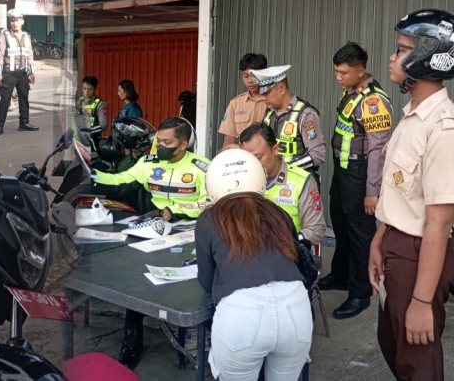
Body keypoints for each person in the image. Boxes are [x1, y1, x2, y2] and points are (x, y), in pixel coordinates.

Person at [369, 9, 454, 381]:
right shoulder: (413, 115)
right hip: (399, 244)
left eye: (401, 49)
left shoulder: (443, 128)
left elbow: (439, 223)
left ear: (428, 56)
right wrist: (381, 239)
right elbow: (402, 193)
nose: (392, 57)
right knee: (393, 343)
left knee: (417, 362)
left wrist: (421, 301)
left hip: (420, 253)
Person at [91, 117, 210, 369]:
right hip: (156, 229)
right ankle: (132, 335)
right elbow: (120, 179)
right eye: (159, 141)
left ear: (183, 145)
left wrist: (174, 211)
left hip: (191, 231)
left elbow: (211, 202)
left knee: (192, 283)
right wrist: (91, 172)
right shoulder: (148, 163)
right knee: (139, 277)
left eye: (167, 142)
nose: (160, 147)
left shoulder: (202, 168)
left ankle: (196, 334)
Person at [197, 149, 313, 381]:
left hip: (241, 314)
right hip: (296, 307)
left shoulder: (209, 219)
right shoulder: (278, 212)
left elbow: (207, 282)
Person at [317, 42, 394, 320]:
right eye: (336, 71)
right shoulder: (352, 93)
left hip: (360, 175)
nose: (338, 77)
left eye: (344, 73)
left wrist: (372, 191)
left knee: (361, 235)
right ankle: (341, 275)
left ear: (360, 71)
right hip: (343, 174)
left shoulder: (374, 102)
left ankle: (361, 292)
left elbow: (377, 150)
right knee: (341, 226)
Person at [239, 123, 327, 244]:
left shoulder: (302, 181)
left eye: (258, 157)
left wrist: (282, 240)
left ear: (275, 149)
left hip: (287, 250)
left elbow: (316, 231)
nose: (253, 164)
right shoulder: (239, 179)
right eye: (248, 159)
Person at [251, 65, 326, 173]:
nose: (263, 98)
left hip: (297, 180)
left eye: (266, 93)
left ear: (281, 89)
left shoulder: (305, 114)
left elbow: (318, 155)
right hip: (273, 179)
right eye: (262, 94)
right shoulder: (269, 113)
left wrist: (283, 168)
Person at [0, 9, 38, 136]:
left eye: (17, 20)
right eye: (12, 21)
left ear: (22, 21)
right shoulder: (5, 36)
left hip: (23, 73)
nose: (15, 23)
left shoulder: (26, 36)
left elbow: (30, 55)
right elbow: (0, 55)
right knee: (5, 99)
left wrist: (31, 72)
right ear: (10, 22)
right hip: (9, 73)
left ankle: (24, 123)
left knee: (24, 99)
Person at [218, 53, 268, 151]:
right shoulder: (235, 103)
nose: (250, 81)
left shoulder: (274, 101)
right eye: (245, 76)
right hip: (241, 155)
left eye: (254, 76)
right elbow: (229, 138)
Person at [75, 76, 107, 146]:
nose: (86, 92)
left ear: (95, 89)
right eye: (84, 88)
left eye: (90, 89)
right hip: (78, 139)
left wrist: (91, 130)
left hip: (93, 140)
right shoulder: (79, 101)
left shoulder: (100, 104)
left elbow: (104, 124)